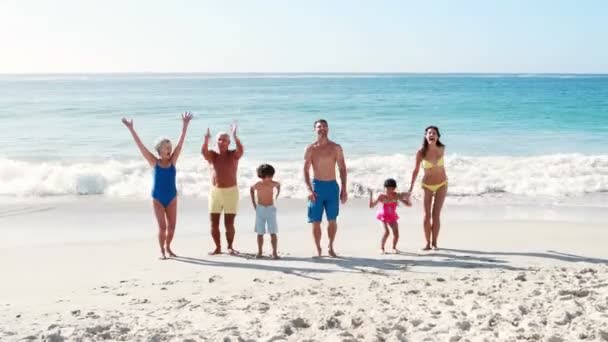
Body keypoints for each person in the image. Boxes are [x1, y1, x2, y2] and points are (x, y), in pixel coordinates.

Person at [121, 112, 193, 259]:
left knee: (172, 228)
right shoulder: (154, 162)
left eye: (170, 147)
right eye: (166, 147)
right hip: (158, 199)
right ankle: (162, 251)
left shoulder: (173, 162)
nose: (169, 149)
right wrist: (131, 129)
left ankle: (168, 247)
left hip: (172, 198)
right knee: (163, 227)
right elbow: (141, 146)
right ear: (159, 150)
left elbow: (180, 144)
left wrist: (185, 126)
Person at [303, 119, 347, 257]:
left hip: (332, 187)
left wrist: (344, 189)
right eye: (319, 126)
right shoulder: (311, 148)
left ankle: (331, 246)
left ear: (328, 128)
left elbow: (342, 169)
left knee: (332, 220)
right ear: (314, 129)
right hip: (317, 186)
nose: (322, 128)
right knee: (315, 221)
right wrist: (309, 189)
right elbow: (305, 170)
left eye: (324, 126)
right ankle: (318, 249)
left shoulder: (336, 147)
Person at [202, 122, 244, 255]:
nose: (222, 142)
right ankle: (217, 247)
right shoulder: (213, 155)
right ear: (216, 142)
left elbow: (241, 150)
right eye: (220, 139)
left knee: (229, 223)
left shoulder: (233, 155)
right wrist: (206, 139)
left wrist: (235, 136)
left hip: (231, 192)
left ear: (229, 142)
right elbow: (203, 152)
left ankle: (230, 246)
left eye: (225, 140)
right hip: (215, 193)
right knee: (213, 223)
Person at [407, 126, 448, 251]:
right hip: (427, 186)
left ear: (437, 136)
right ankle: (427, 244)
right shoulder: (421, 152)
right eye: (429, 133)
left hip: (442, 184)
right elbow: (415, 170)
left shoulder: (442, 148)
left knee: (436, 215)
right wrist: (410, 188)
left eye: (434, 133)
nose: (432, 134)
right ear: (425, 136)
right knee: (426, 216)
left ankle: (435, 243)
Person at [368, 178, 412, 254]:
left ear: (394, 188)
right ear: (384, 188)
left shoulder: (396, 196)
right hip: (383, 216)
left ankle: (394, 248)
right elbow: (371, 206)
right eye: (387, 188)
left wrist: (408, 198)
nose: (388, 190)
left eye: (391, 188)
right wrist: (371, 194)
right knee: (387, 232)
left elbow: (409, 205)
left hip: (392, 216)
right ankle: (382, 248)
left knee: (396, 234)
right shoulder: (382, 196)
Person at [250, 164, 281, 259]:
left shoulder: (273, 183)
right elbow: (251, 190)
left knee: (273, 231)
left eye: (271, 176)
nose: (270, 178)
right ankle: (259, 252)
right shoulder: (258, 184)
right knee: (260, 232)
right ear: (262, 176)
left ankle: (274, 252)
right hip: (260, 209)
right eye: (269, 176)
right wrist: (254, 204)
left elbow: (279, 185)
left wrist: (277, 195)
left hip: (271, 209)